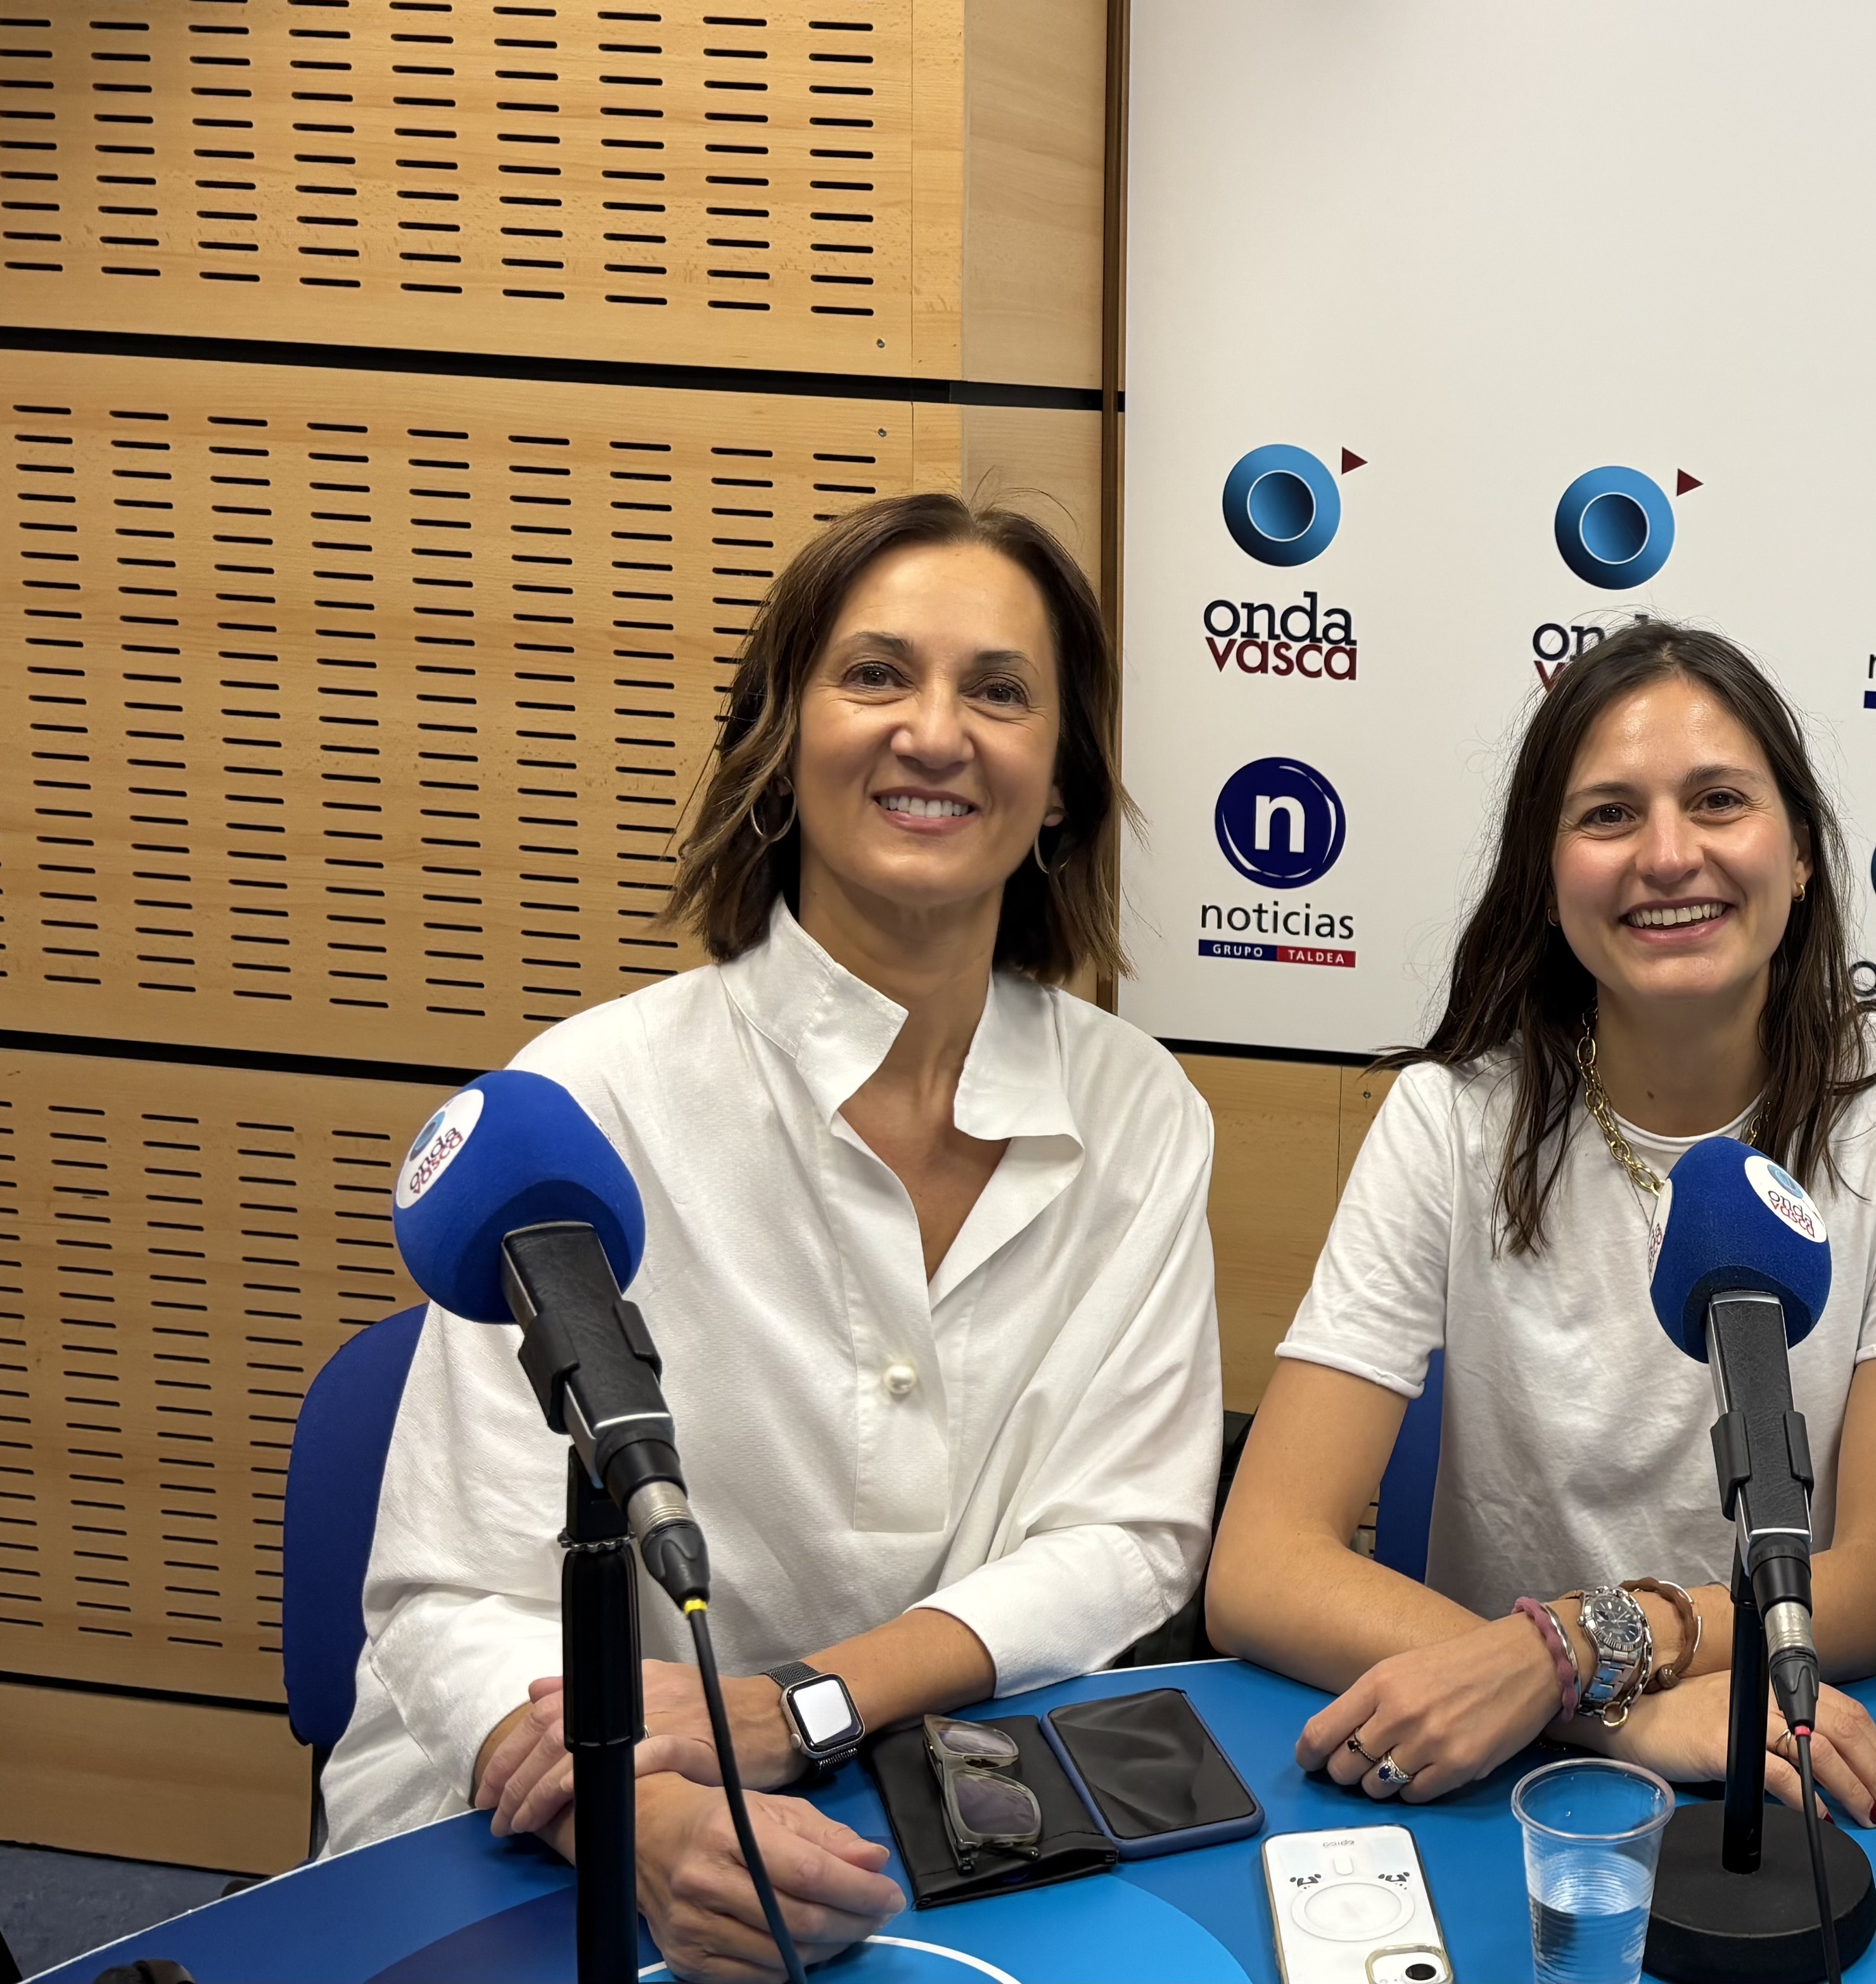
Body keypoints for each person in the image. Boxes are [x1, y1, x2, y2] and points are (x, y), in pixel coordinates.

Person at [321, 494, 1225, 1983]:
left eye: (999, 690)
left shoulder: (1138, 1109)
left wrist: (800, 1705)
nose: (935, 731)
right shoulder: (588, 1099)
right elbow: (443, 1598)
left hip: (930, 1806)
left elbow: (1130, 1532)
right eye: (877, 674)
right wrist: (640, 1813)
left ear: (1060, 780)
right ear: (781, 742)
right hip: (556, 1820)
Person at [1208, 620, 1876, 1828]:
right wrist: (1598, 1695)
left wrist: (1581, 1644)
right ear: (1548, 873)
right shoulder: (1453, 1118)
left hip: (1808, 1758)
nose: (1668, 855)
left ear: (1802, 858)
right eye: (1609, 814)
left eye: (1719, 801)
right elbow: (1261, 1564)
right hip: (1510, 1777)